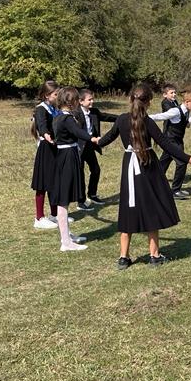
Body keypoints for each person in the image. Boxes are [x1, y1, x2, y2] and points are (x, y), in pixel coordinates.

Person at [97, 83, 191, 269]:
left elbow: (103, 140)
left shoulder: (121, 120)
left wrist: (89, 139)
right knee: (151, 208)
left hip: (129, 168)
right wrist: (189, 158)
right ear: (148, 102)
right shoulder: (147, 122)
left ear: (130, 99)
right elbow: (166, 144)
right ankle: (154, 256)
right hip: (147, 166)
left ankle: (123, 257)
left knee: (128, 207)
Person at [49, 86, 101, 252]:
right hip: (68, 157)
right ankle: (65, 242)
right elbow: (78, 132)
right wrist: (93, 138)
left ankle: (67, 235)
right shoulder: (67, 119)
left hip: (64, 156)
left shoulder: (59, 116)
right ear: (71, 101)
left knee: (64, 199)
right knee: (63, 200)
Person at [74, 88, 118, 209]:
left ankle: (92, 194)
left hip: (90, 146)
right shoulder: (75, 114)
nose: (92, 101)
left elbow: (106, 117)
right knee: (80, 174)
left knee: (96, 170)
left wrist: (123, 118)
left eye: (92, 99)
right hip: (78, 148)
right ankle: (81, 201)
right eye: (89, 99)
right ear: (81, 101)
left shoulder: (94, 112)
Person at [155, 89, 191, 199]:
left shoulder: (186, 111)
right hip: (171, 141)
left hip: (178, 140)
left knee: (163, 163)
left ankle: (152, 184)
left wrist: (187, 123)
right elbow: (161, 116)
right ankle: (175, 191)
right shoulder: (176, 111)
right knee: (182, 162)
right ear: (187, 102)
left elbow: (187, 120)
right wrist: (142, 117)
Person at [30, 80, 61, 230]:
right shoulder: (41, 109)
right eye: (56, 94)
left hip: (55, 147)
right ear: (47, 95)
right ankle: (39, 217)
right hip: (46, 149)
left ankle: (54, 215)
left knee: (54, 182)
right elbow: (42, 126)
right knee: (42, 184)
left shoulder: (54, 108)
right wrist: (47, 135)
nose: (58, 96)